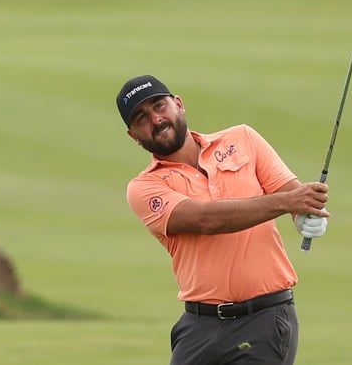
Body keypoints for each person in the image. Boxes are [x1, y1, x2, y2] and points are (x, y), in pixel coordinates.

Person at [116, 75, 330, 365]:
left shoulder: (243, 139)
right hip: (198, 326)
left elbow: (292, 193)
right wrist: (289, 203)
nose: (155, 119)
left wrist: (303, 214)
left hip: (264, 319)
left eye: (159, 106)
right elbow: (206, 220)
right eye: (141, 117)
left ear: (178, 105)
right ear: (133, 136)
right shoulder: (144, 188)